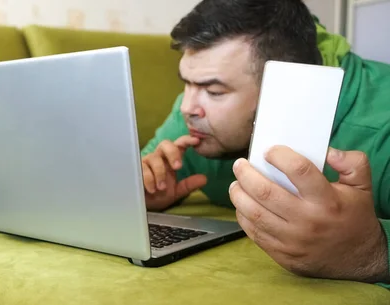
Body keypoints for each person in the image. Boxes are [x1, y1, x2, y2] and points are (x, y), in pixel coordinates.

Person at [140, 0, 390, 286]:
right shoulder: (191, 120)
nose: (187, 107)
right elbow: (137, 178)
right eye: (186, 83)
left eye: (214, 91)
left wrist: (372, 251)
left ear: (283, 90)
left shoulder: (381, 129)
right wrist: (147, 194)